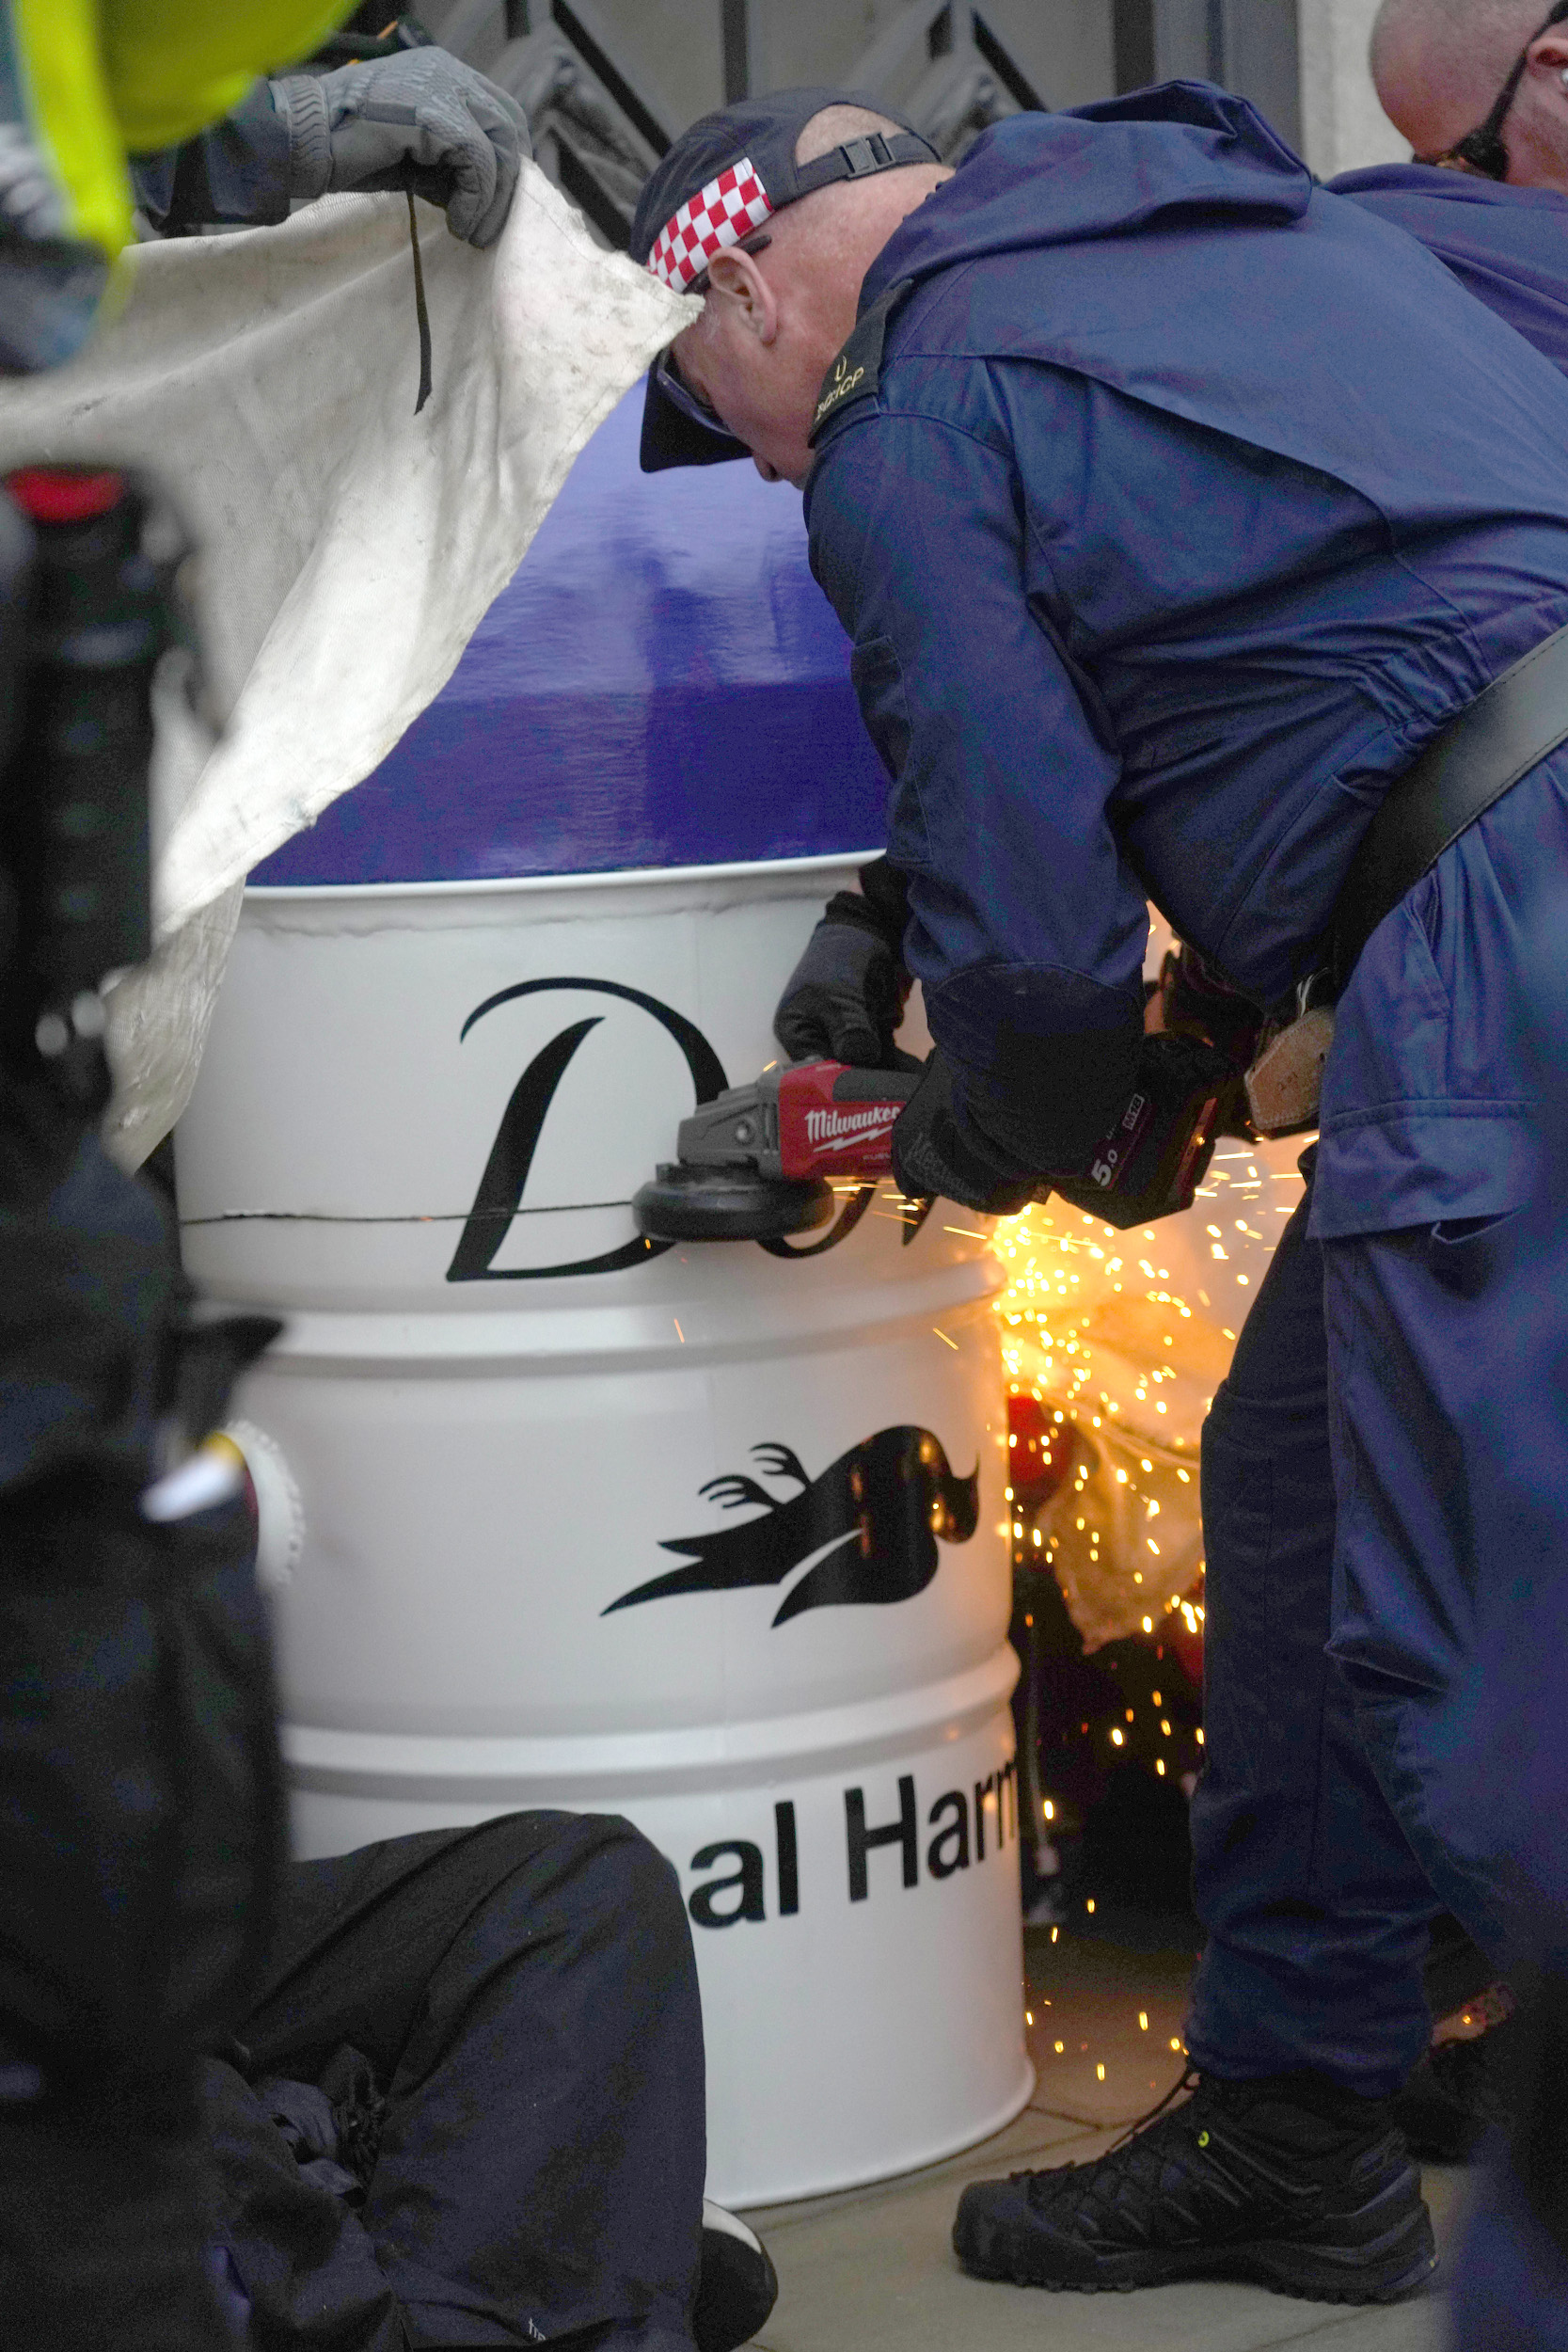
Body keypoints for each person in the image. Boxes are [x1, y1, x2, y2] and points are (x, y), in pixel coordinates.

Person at [628, 74, 1568, 2307]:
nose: (767, 470)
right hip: (1477, 918)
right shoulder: (1250, 214)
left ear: (754, 285)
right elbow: (1309, 601)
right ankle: (1298, 2113)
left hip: (1512, 961)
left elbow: (1036, 979)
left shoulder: (902, 409)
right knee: (1311, 1475)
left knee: (1480, 1652)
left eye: (721, 410)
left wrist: (917, 1127)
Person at [0, 16, 774, 2351]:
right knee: (178, 2175)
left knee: (577, 1898)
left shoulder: (73, 1060)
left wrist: (240, 159)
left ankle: (467, 2272)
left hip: (123, 1876)